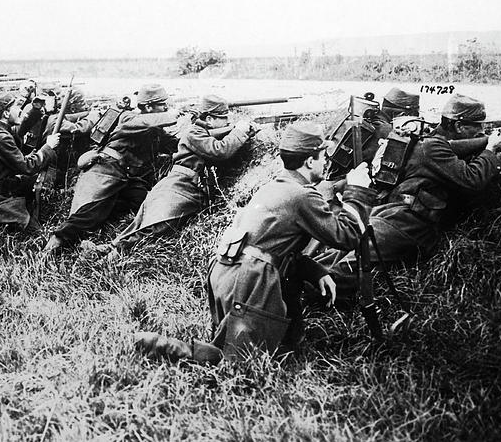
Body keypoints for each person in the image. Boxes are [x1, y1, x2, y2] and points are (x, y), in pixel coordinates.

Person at [135, 122, 375, 363]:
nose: (326, 163)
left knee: (280, 353)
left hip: (229, 274)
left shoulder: (274, 187)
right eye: (323, 157)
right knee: (240, 363)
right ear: (310, 161)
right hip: (250, 280)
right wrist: (357, 191)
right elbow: (347, 235)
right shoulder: (302, 196)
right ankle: (158, 345)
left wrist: (316, 271)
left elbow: (274, 247)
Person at [319, 94, 501, 300]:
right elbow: (472, 179)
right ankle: (308, 293)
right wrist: (491, 149)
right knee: (349, 263)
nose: (482, 131)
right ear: (459, 127)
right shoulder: (433, 147)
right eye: (477, 126)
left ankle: (301, 281)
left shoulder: (430, 139)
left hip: (391, 214)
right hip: (407, 224)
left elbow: (458, 153)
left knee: (345, 253)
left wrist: (486, 144)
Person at [107, 95, 257, 255]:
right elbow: (220, 150)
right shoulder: (194, 132)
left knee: (154, 224)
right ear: (210, 119)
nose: (228, 121)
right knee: (157, 225)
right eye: (224, 118)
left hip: (186, 188)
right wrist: (239, 132)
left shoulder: (204, 132)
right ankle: (114, 251)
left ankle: (114, 247)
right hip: (179, 187)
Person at [40, 84, 178, 257]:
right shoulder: (128, 118)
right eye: (162, 104)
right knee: (89, 214)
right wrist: (171, 115)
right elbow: (149, 121)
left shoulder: (154, 129)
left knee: (146, 202)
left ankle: (108, 212)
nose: (166, 107)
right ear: (149, 107)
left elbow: (177, 144)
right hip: (105, 171)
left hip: (126, 179)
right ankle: (52, 246)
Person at [0, 91, 60, 233]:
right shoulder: (0, 137)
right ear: (6, 113)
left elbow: (19, 130)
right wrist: (48, 147)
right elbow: (28, 167)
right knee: (36, 232)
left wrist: (35, 109)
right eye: (16, 107)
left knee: (30, 182)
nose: (20, 110)